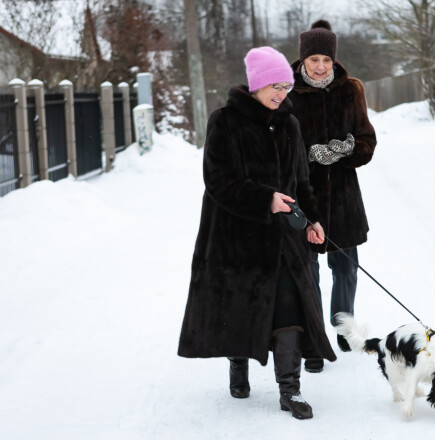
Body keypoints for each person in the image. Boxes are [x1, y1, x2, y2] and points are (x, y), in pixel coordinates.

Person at [177, 46, 336, 420]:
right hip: (234, 235)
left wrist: (312, 219)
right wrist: (264, 199)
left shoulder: (289, 124)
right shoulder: (225, 121)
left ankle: (290, 390)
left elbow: (301, 179)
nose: (282, 93)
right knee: (239, 307)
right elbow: (217, 180)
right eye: (275, 86)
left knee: (288, 305)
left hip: (282, 237)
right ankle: (238, 363)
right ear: (257, 84)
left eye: (287, 86)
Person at [288, 20, 377, 373]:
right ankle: (314, 337)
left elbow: (367, 142)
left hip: (342, 197)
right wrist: (309, 154)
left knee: (345, 268)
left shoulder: (350, 90)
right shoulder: (289, 93)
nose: (321, 66)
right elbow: (278, 143)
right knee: (307, 269)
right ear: (303, 60)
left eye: (326, 59)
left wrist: (343, 152)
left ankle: (342, 327)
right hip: (304, 196)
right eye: (314, 60)